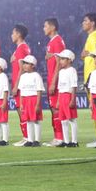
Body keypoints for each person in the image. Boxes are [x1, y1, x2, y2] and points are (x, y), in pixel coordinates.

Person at [43, 18, 66, 146]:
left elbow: (59, 63)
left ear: (52, 27)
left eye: (45, 26)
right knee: (53, 108)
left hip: (55, 80)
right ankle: (57, 137)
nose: (44, 28)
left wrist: (53, 82)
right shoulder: (52, 42)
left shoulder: (57, 41)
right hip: (52, 78)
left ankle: (60, 138)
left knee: (56, 108)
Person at [10, 24, 32, 146]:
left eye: (13, 33)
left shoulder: (21, 48)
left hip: (20, 85)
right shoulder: (21, 48)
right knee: (21, 110)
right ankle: (26, 137)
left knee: (21, 110)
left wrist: (16, 85)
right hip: (20, 84)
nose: (11, 35)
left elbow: (21, 69)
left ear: (19, 34)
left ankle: (27, 137)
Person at [16, 55, 45, 147]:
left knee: (36, 120)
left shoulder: (36, 76)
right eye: (24, 63)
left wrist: (37, 104)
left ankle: (37, 140)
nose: (24, 65)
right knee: (28, 120)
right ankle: (30, 139)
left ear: (33, 65)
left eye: (27, 63)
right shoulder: (23, 76)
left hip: (33, 99)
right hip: (25, 100)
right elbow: (21, 91)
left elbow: (39, 90)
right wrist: (21, 103)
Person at [55, 50, 79, 147]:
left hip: (69, 96)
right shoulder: (61, 72)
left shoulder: (72, 70)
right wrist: (58, 101)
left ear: (69, 60)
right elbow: (60, 87)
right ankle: (66, 141)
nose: (60, 61)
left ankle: (74, 141)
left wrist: (73, 99)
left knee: (72, 119)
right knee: (63, 120)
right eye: (60, 59)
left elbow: (74, 85)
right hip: (62, 97)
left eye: (63, 59)